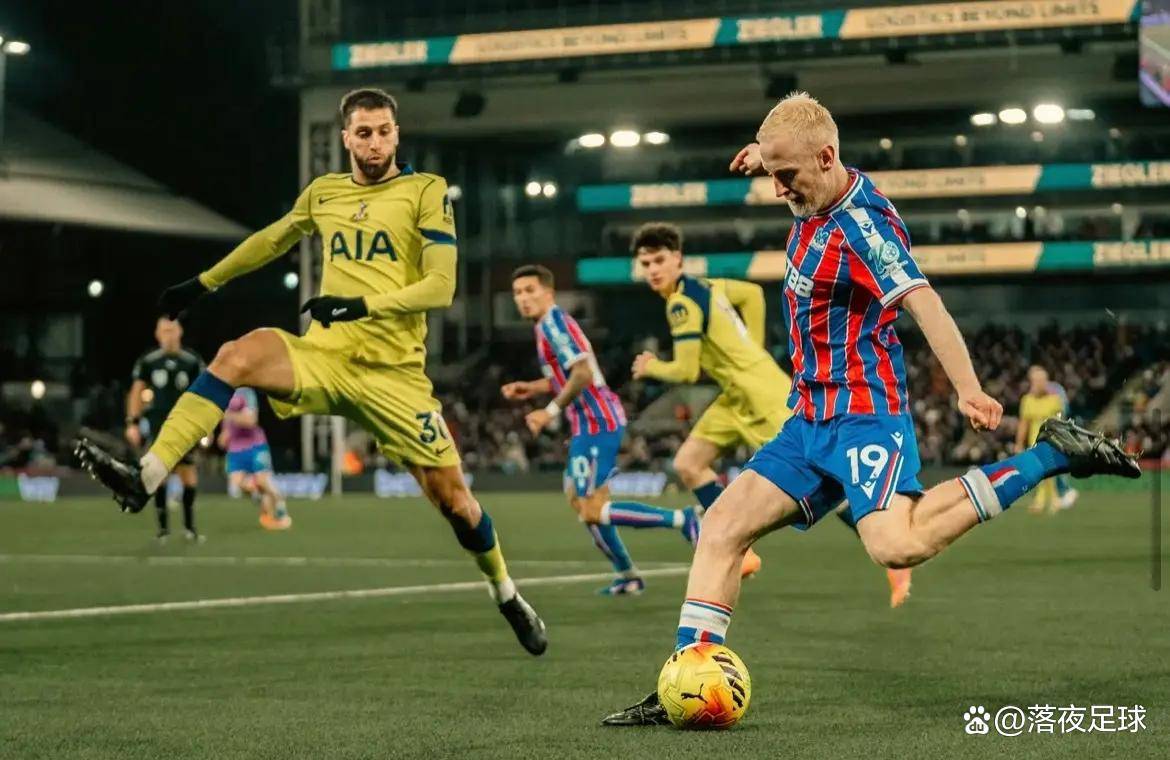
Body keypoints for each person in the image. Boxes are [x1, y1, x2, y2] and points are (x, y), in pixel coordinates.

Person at [602, 91, 1139, 726]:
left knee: (896, 544)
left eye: (786, 175)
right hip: (809, 419)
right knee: (720, 527)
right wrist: (766, 153)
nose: (777, 189)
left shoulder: (863, 229)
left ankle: (1051, 453)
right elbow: (795, 146)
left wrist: (967, 386)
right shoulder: (813, 184)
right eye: (772, 173)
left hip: (863, 415)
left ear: (827, 158)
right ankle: (685, 682)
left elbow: (924, 302)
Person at [76, 87, 546, 656]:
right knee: (234, 355)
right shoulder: (324, 192)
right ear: (346, 138)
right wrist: (204, 283)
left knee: (456, 505)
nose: (375, 142)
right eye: (364, 133)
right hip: (326, 359)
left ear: (397, 134)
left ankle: (506, 593)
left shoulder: (425, 191)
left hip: (394, 378)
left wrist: (360, 306)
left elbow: (441, 286)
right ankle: (145, 477)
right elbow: (272, 240)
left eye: (384, 131)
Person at [629, 222, 911, 604]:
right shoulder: (706, 286)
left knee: (825, 477)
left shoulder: (681, 304)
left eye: (659, 260)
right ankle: (742, 552)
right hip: (736, 395)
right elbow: (752, 295)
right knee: (689, 463)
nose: (653, 270)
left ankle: (892, 547)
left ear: (677, 259)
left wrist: (651, 366)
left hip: (763, 397)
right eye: (646, 263)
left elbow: (686, 370)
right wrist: (753, 347)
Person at [503, 264, 700, 595]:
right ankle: (627, 575)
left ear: (548, 292)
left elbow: (582, 374)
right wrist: (532, 388)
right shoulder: (545, 326)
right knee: (580, 500)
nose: (523, 298)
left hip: (598, 421)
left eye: (530, 290)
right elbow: (568, 375)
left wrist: (548, 412)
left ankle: (683, 520)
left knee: (591, 508)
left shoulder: (553, 324)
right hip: (589, 422)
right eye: (518, 293)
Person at [126, 317, 205, 542]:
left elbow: (204, 393)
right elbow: (136, 392)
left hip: (184, 426)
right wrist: (132, 423)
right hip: (158, 427)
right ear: (157, 334)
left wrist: (206, 425)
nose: (169, 334)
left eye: (172, 330)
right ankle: (163, 530)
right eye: (165, 330)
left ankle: (190, 529)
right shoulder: (149, 362)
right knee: (159, 475)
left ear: (180, 332)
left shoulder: (192, 361)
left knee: (188, 475)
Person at [218, 387, 291, 530]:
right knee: (237, 485)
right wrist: (224, 435)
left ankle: (278, 503)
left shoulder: (246, 392)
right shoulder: (224, 393)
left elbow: (250, 420)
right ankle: (259, 494)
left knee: (263, 481)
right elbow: (226, 425)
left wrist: (229, 415)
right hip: (235, 448)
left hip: (255, 445)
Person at [1016, 366, 1071, 514]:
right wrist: (1019, 443)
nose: (1038, 384)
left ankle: (1052, 500)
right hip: (1034, 441)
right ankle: (1043, 501)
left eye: (1041, 381)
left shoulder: (1055, 400)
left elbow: (1061, 421)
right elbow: (1024, 423)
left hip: (1050, 439)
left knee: (1048, 471)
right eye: (1035, 381)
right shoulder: (1027, 400)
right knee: (1038, 471)